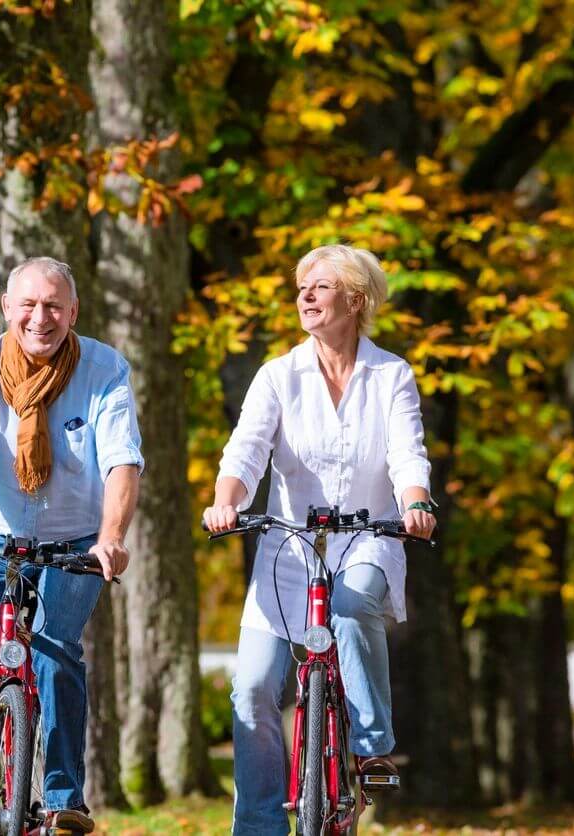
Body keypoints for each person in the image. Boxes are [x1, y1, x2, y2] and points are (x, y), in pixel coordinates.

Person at [202, 244, 437, 834]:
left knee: (352, 605)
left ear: (355, 300)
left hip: (367, 539)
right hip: (289, 547)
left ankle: (372, 747)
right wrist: (226, 500)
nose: (305, 296)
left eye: (320, 286)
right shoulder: (278, 376)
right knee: (253, 687)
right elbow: (247, 450)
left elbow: (407, 452)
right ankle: (258, 824)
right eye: (302, 286)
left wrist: (415, 504)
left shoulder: (392, 376)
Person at [0, 256, 143, 836]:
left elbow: (121, 462)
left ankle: (64, 801)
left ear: (73, 312)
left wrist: (110, 539)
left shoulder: (104, 368)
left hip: (74, 540)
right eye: (29, 305)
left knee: (55, 650)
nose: (42, 317)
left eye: (55, 306)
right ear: (7, 309)